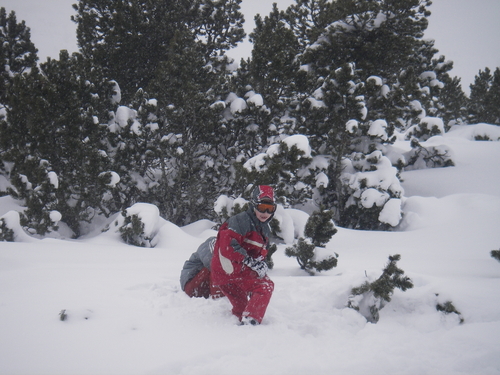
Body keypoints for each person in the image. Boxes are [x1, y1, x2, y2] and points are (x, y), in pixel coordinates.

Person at [211, 185, 276, 325]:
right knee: (265, 286)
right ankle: (251, 322)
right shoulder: (241, 221)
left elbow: (260, 252)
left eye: (270, 209)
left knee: (242, 309)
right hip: (230, 269)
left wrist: (260, 262)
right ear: (253, 205)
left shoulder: (264, 228)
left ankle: (239, 329)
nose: (265, 212)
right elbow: (228, 246)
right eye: (262, 207)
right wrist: (251, 262)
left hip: (226, 275)